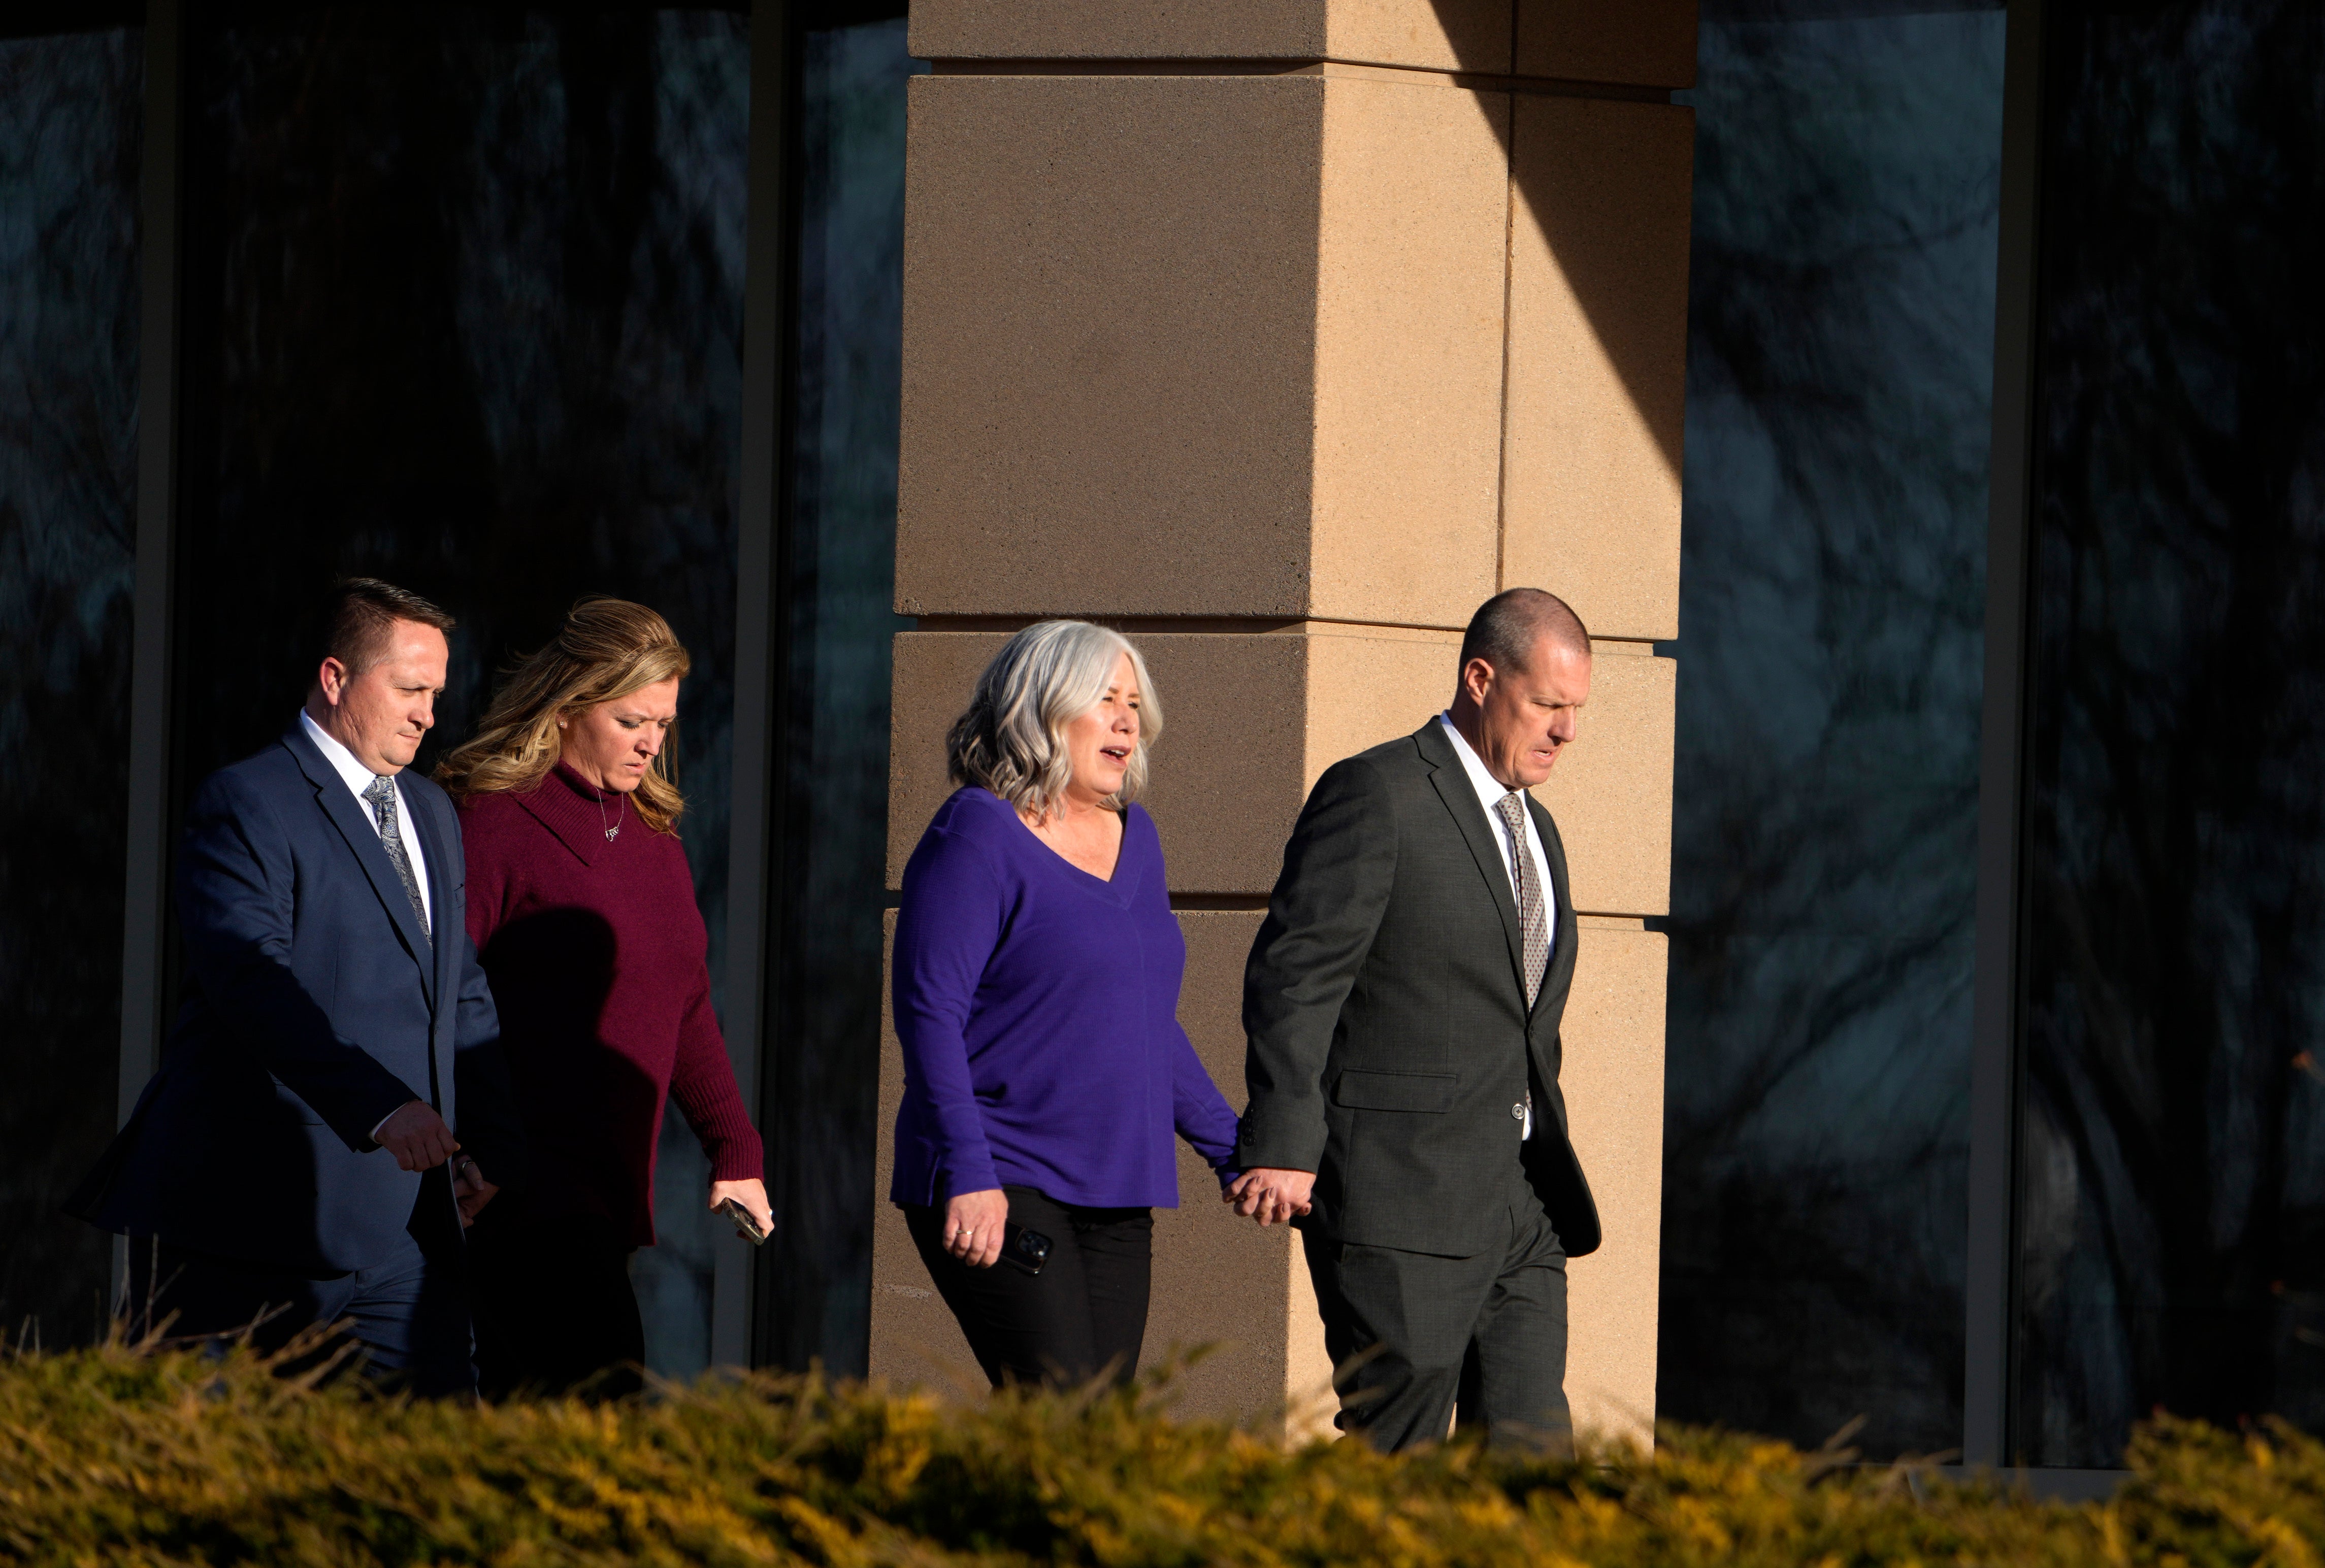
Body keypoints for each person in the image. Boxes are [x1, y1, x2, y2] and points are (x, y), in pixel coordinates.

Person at [69, 579, 527, 1395]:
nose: (429, 714)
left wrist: (491, 1141)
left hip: (404, 1234)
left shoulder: (430, 812)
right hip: (246, 1218)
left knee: (425, 1456)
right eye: (410, 689)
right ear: (335, 677)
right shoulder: (248, 801)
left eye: (436, 693)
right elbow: (253, 983)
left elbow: (458, 988)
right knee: (205, 1461)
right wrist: (382, 1107)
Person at [1229, 587, 1602, 1452]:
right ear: (1481, 680)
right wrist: (1284, 1137)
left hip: (1521, 1204)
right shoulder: (1379, 793)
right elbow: (1295, 976)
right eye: (1548, 704)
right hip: (1400, 1199)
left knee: (1534, 1464)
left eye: (1577, 710)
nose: (1566, 731)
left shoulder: (1540, 831)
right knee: (1396, 1458)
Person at [892, 620, 1240, 1389]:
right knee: (1060, 1410)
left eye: (1133, 704)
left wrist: (1232, 1149)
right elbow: (929, 1014)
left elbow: (1145, 1023)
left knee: (1095, 1437)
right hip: (1002, 1169)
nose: (1127, 721)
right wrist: (968, 1170)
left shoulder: (1137, 839)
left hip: (1117, 1186)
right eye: (1105, 700)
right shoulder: (976, 833)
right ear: (1042, 707)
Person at [435, 598, 768, 1398]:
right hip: (517, 1194)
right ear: (568, 706)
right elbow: (433, 992)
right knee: (602, 1410)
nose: (652, 742)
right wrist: (465, 1146)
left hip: (609, 1196)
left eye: (664, 723)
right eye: (631, 721)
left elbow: (685, 1002)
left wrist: (735, 1147)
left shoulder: (655, 837)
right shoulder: (493, 822)